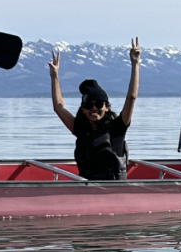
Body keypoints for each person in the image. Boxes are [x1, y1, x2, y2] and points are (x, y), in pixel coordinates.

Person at [48, 39, 141, 180]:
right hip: (86, 190)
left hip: (112, 190)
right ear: (83, 109)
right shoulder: (81, 129)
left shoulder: (117, 129)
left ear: (107, 107)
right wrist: (54, 76)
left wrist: (135, 63)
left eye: (98, 104)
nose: (93, 109)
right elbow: (59, 108)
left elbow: (131, 98)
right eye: (88, 105)